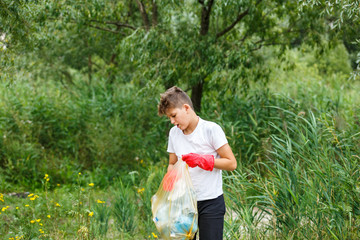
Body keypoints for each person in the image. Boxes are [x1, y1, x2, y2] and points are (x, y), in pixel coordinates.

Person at [158, 86, 237, 240]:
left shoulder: (211, 130)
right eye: (169, 118)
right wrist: (170, 177)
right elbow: (172, 163)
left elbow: (231, 163)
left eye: (174, 115)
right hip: (184, 202)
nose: (172, 122)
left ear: (186, 108)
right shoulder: (174, 134)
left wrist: (203, 160)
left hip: (210, 202)